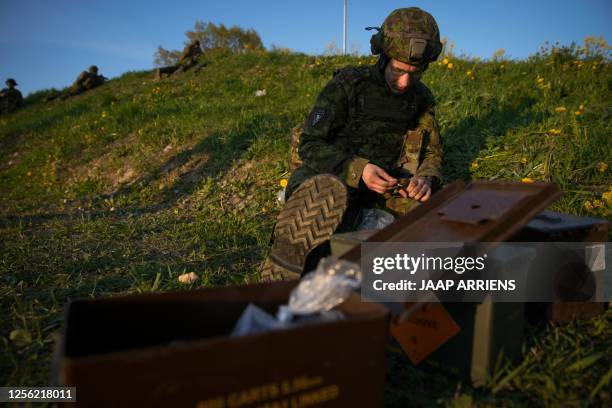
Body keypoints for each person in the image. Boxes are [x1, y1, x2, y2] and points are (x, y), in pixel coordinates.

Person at [261, 7, 444, 281]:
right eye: (397, 70)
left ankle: (349, 265)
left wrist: (425, 179)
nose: (404, 82)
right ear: (382, 55)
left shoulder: (421, 99)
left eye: (414, 73)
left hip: (386, 189)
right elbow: (310, 144)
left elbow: (431, 151)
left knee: (429, 220)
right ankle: (291, 261)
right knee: (327, 198)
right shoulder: (348, 84)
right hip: (332, 178)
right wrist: (359, 170)